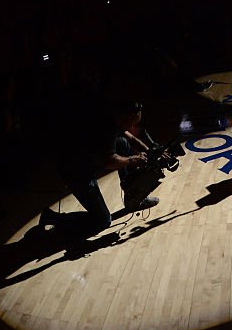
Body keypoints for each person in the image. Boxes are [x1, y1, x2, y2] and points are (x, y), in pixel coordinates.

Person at [39, 100, 158, 237]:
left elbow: (129, 138)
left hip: (87, 160)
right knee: (103, 221)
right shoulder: (107, 128)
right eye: (132, 123)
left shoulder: (114, 117)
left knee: (123, 143)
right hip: (76, 171)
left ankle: (133, 198)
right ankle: (52, 217)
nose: (133, 127)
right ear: (126, 117)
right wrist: (133, 160)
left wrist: (149, 151)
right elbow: (109, 161)